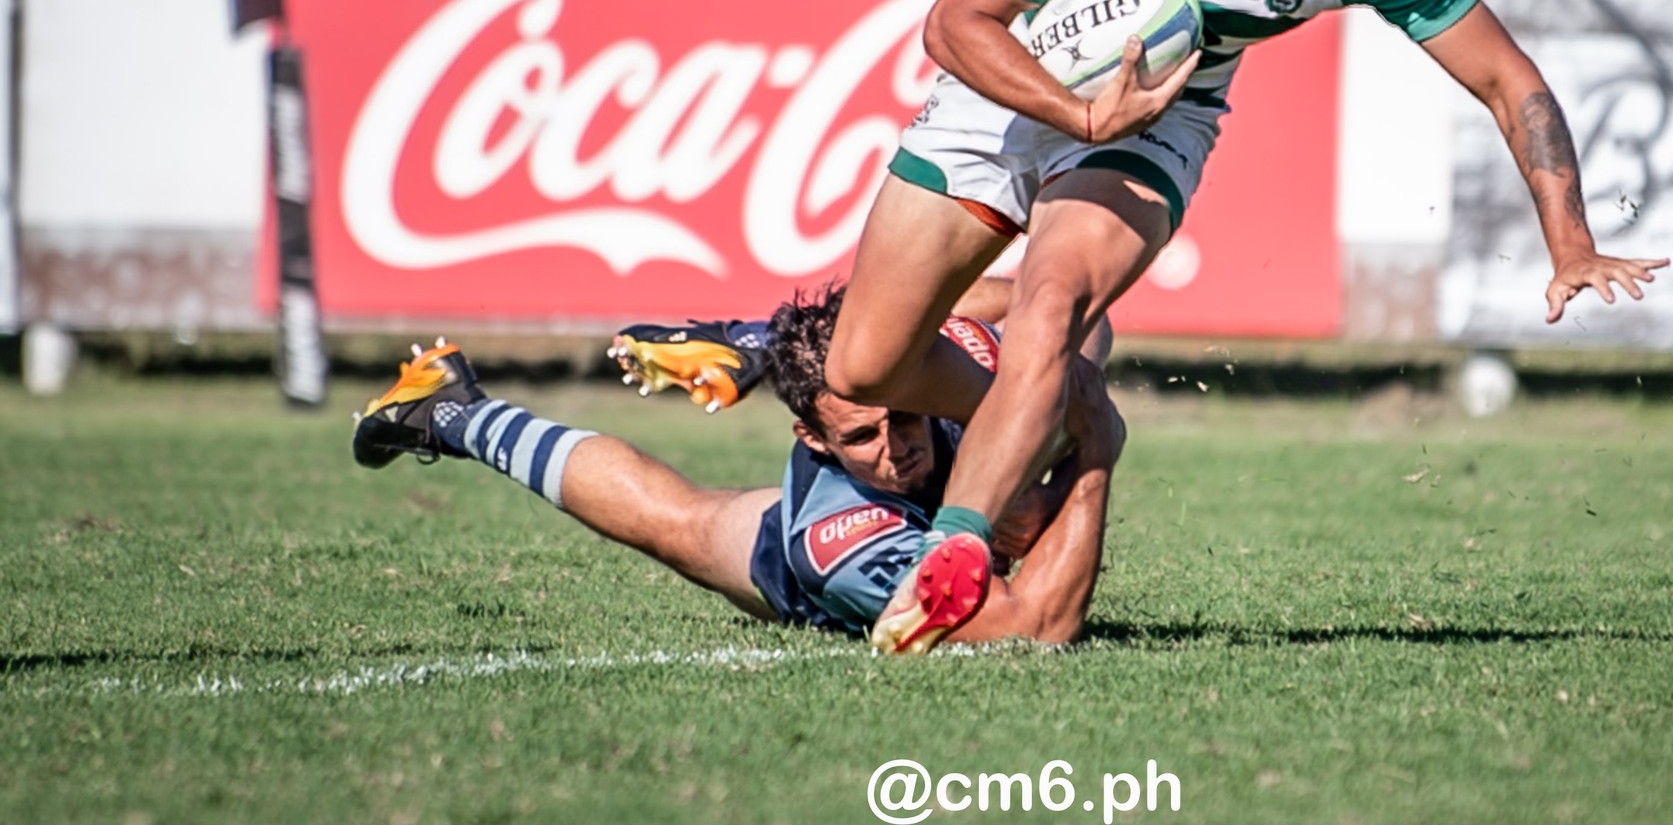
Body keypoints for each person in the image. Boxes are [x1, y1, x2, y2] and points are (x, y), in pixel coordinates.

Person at [825, 0, 1668, 654]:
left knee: (1050, 302)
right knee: (862, 372)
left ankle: (953, 553)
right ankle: (1064, 409)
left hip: (1164, 109)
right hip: (1016, 79)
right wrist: (1075, 112)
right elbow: (955, 24)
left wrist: (1570, 240)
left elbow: (1509, 79)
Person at [349, 286, 1123, 649]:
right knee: (671, 519)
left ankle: (758, 339)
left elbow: (1068, 309)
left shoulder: (936, 374)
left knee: (1041, 386)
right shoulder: (834, 541)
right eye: (863, 435)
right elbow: (1037, 624)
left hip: (902, 467)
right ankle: (447, 412)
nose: (900, 444)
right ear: (812, 438)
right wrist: (1091, 453)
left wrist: (1050, 397)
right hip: (835, 549)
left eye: (908, 412)